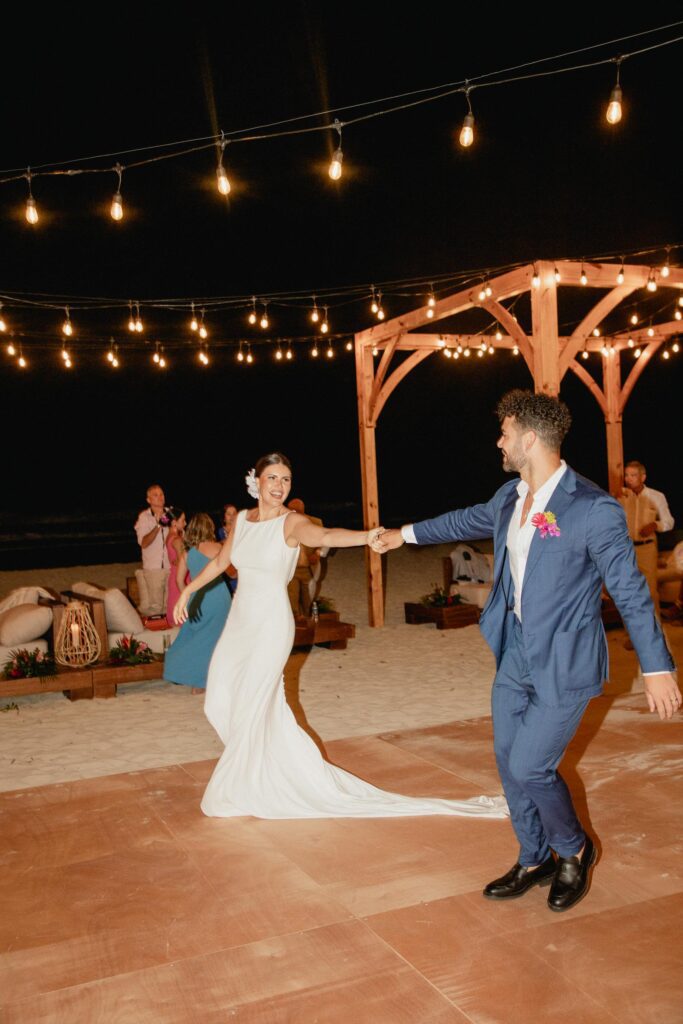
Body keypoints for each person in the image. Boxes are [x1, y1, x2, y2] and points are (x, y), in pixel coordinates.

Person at [380, 389, 679, 913]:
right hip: (515, 649)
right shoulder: (508, 497)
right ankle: (533, 855)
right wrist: (401, 534)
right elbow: (459, 521)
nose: (499, 441)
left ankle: (573, 850)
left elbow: (630, 590)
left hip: (565, 659)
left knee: (531, 764)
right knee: (506, 759)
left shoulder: (593, 509)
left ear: (531, 439)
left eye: (505, 433)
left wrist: (657, 666)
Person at [173, 451, 507, 821]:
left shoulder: (291, 522)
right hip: (240, 623)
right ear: (257, 481)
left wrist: (368, 536)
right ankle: (271, 767)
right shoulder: (243, 521)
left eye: (286, 479)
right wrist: (190, 590)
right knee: (217, 697)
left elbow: (326, 534)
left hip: (270, 624)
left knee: (255, 702)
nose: (280, 486)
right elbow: (221, 562)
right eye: (273, 478)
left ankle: (244, 784)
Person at [163, 513, 231, 695]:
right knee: (216, 638)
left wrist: (189, 594)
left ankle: (195, 680)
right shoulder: (218, 548)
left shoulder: (186, 554)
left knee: (193, 636)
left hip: (197, 598)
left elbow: (179, 581)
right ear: (210, 528)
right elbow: (232, 572)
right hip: (219, 596)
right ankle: (209, 680)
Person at [619, 461, 675, 614]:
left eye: (633, 475)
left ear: (643, 477)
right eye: (626, 475)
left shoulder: (656, 496)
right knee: (628, 592)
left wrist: (655, 525)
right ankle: (634, 635)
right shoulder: (621, 497)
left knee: (649, 592)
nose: (628, 478)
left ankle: (653, 634)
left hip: (646, 549)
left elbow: (669, 522)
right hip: (626, 550)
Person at [134, 484, 172, 615]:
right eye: (155, 495)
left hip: (171, 566)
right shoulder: (144, 517)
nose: (160, 497)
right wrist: (158, 526)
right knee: (156, 607)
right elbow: (143, 543)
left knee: (170, 605)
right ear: (148, 500)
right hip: (154, 569)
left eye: (161, 494)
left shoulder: (171, 513)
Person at [286, 497, 323, 618]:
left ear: (303, 509)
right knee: (292, 601)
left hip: (309, 569)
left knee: (309, 601)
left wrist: (317, 553)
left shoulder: (315, 522)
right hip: (292, 570)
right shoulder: (284, 524)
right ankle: (296, 627)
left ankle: (310, 624)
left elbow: (323, 541)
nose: (295, 512)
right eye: (292, 510)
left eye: (297, 510)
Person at [165, 509, 187, 623]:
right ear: (174, 522)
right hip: (181, 577)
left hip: (174, 575)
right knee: (183, 613)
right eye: (183, 520)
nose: (185, 523)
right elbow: (182, 560)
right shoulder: (177, 539)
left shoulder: (169, 537)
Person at [216, 503, 239, 596]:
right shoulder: (219, 533)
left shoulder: (242, 530)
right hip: (228, 573)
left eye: (234, 513)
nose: (232, 516)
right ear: (224, 517)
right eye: (229, 514)